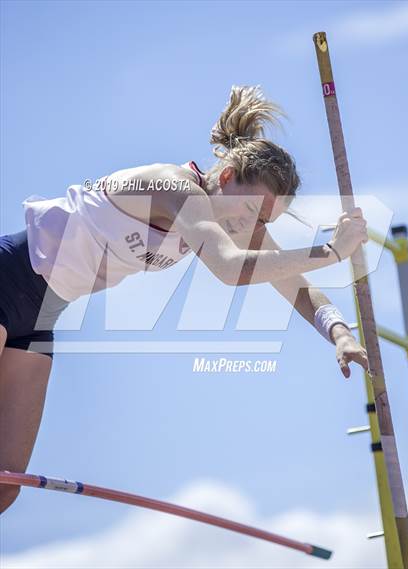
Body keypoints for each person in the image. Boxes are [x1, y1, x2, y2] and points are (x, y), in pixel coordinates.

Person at [0, 85, 368, 513]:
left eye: (264, 220)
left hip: (40, 318)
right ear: (226, 177)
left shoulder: (225, 217)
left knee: (7, 487)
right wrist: (332, 251)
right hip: (8, 279)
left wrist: (339, 331)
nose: (251, 226)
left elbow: (295, 286)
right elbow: (229, 268)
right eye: (251, 212)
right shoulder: (176, 189)